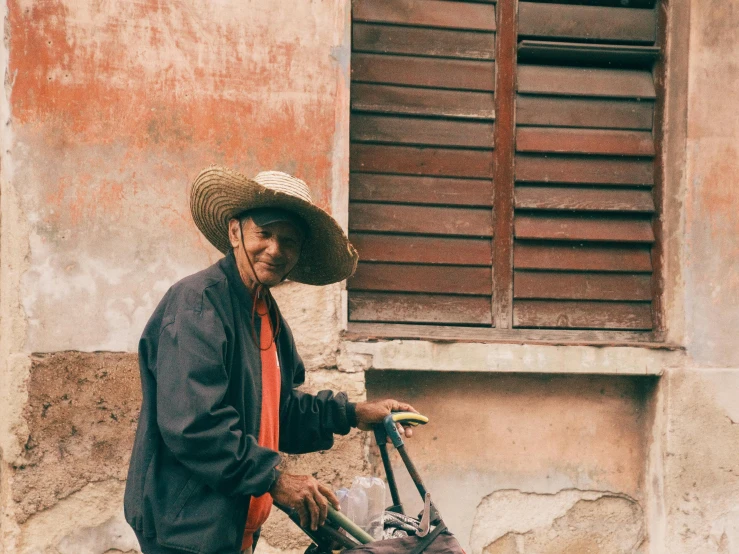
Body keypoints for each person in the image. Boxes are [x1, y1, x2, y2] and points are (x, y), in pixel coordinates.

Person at [123, 167, 416, 554]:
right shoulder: (198, 303)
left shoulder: (267, 315)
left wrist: (353, 413)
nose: (275, 249)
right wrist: (275, 479)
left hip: (231, 526)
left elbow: (280, 413)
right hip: (186, 529)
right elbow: (194, 425)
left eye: (289, 241)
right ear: (234, 232)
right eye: (264, 233)